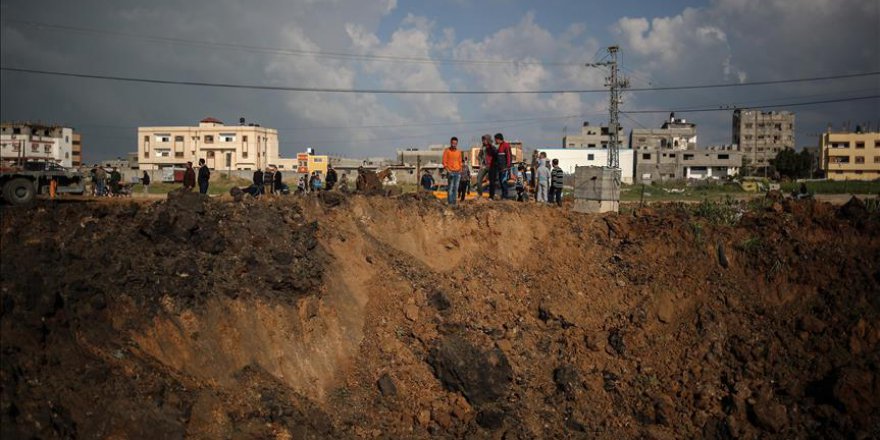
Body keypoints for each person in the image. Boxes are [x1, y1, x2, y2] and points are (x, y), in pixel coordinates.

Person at [442, 137, 463, 206]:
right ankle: (450, 203)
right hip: (450, 171)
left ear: (457, 144)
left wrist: (460, 169)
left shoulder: (459, 152)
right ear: (451, 143)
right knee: (450, 187)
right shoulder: (447, 151)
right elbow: (444, 162)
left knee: (456, 188)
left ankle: (454, 203)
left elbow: (460, 161)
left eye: (455, 143)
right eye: (453, 143)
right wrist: (448, 170)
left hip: (458, 172)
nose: (454, 144)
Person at [494, 133, 512, 200]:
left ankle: (505, 196)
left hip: (505, 168)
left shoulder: (506, 145)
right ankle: (503, 195)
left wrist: (508, 166)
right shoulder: (500, 146)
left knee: (504, 182)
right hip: (500, 168)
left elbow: (509, 156)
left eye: (495, 139)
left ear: (498, 139)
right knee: (501, 182)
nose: (495, 141)